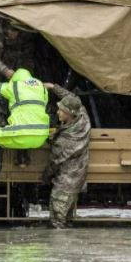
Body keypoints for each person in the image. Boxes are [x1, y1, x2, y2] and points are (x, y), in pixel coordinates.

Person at [0, 68, 49, 178]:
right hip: (41, 137)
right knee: (22, 134)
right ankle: (22, 159)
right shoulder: (42, 88)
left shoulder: (14, 86)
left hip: (22, 134)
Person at [41, 83, 91, 229]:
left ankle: (60, 250)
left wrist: (45, 178)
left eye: (61, 110)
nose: (57, 112)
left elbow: (54, 163)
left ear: (69, 114)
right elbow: (73, 98)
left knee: (57, 223)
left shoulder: (64, 141)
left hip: (65, 183)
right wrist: (53, 87)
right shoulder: (83, 118)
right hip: (76, 179)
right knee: (66, 221)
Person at [0, 18, 37, 128]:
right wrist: (4, 69)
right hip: (6, 65)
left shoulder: (28, 30)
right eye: (12, 31)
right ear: (6, 30)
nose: (14, 34)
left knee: (26, 93)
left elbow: (31, 53)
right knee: (2, 93)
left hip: (24, 64)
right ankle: (0, 124)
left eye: (16, 31)